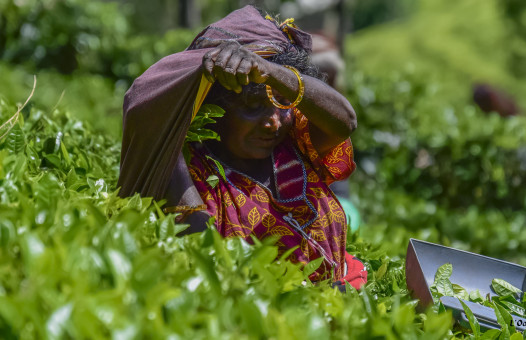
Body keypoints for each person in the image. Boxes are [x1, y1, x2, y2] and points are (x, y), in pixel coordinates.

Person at [117, 6, 366, 289]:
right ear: (212, 109)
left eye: (282, 103)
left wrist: (271, 71)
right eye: (252, 106)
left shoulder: (296, 143)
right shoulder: (195, 177)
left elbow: (345, 121)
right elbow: (207, 259)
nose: (273, 122)